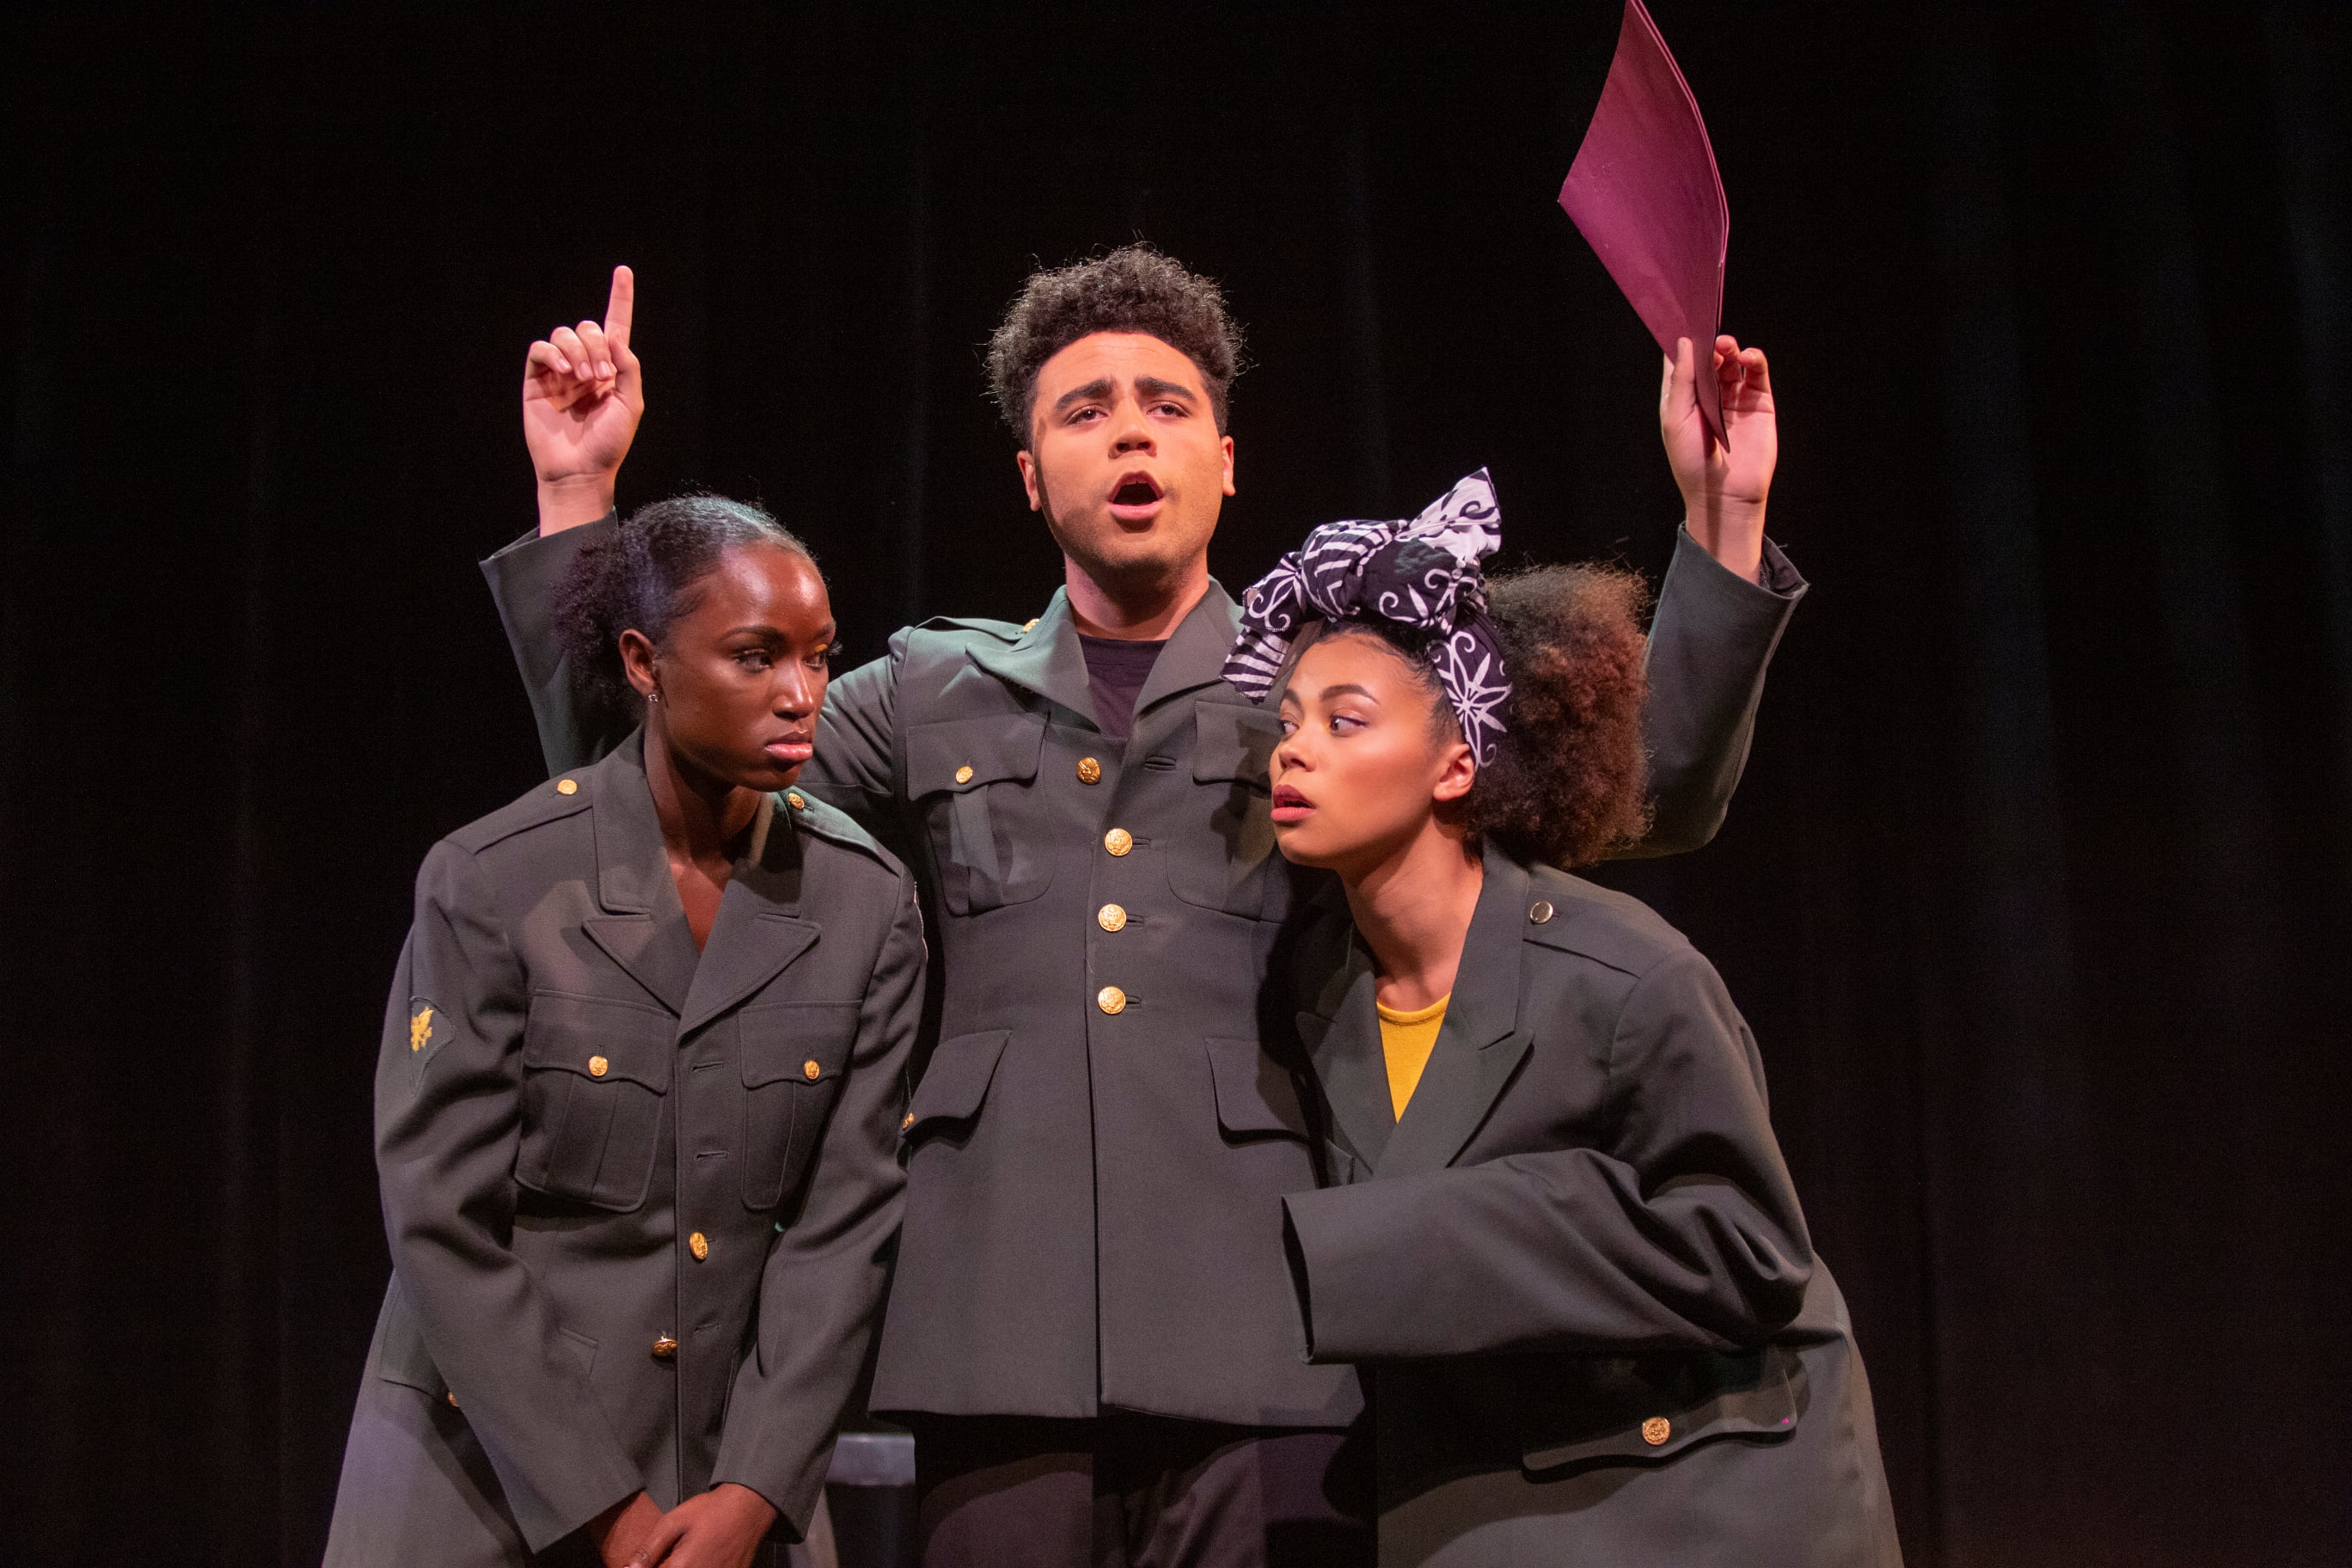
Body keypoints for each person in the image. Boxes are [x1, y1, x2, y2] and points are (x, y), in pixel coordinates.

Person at [483, 248, 1805, 1565]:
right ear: (1028, 478)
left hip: (1275, 1329)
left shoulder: (1329, 686)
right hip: (996, 1325)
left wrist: (1720, 522)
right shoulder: (936, 685)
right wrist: (576, 497)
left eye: (1167, 406)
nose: (1130, 431)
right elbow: (653, 770)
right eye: (1086, 408)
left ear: (1226, 462)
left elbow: (1650, 796)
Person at [1235, 485, 1902, 1565]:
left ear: (1457, 759)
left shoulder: (1622, 973)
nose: (1292, 752)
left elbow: (1753, 1249)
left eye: (1344, 721)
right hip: (1489, 1504)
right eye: (1287, 721)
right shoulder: (1316, 987)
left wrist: (1466, 1223)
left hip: (1694, 1504)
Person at [326, 497, 923, 1568]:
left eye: (819, 659)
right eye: (757, 658)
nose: (802, 697)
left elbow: (845, 1231)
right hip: (484, 1469)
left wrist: (754, 1487)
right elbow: (441, 1220)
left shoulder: (864, 905)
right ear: (645, 664)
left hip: (724, 1491)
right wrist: (602, 1502)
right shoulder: (497, 880)